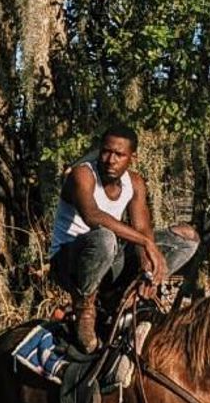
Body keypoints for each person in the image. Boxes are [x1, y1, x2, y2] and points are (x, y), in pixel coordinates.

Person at [49, 124, 199, 352]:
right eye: (106, 152)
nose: (111, 160)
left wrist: (147, 267)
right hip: (71, 263)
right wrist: (146, 243)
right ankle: (84, 307)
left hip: (108, 261)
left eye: (119, 154)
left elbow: (142, 227)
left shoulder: (135, 183)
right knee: (105, 237)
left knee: (187, 238)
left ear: (133, 157)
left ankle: (133, 292)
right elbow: (92, 217)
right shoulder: (83, 174)